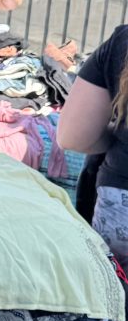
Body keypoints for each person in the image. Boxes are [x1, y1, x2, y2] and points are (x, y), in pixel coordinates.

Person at [58, 26, 128, 267]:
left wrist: (116, 137)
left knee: (113, 288)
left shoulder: (123, 42)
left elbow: (72, 137)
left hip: (119, 209)